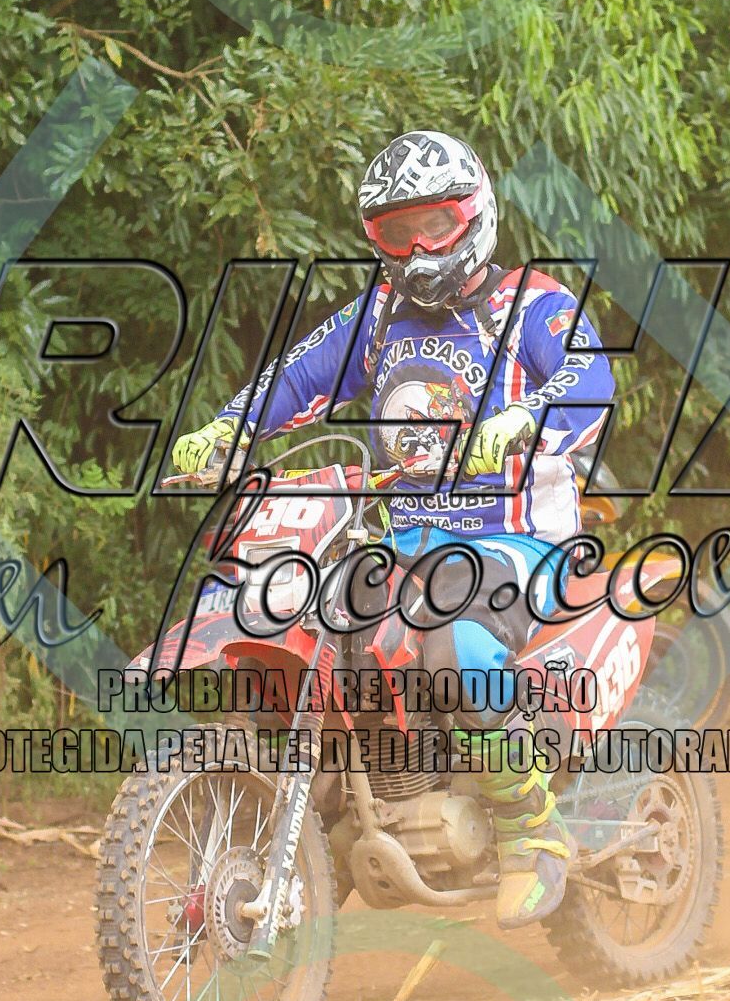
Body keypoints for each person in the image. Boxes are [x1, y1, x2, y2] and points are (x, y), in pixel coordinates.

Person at [172, 131, 614, 928]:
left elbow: (592, 377)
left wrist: (524, 418)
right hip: (405, 546)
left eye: (433, 226)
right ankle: (334, 814)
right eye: (395, 231)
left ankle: (532, 824)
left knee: (454, 641)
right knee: (305, 619)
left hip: (519, 543)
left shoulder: (534, 306)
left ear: (473, 216)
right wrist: (228, 426)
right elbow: (295, 377)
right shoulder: (379, 316)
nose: (416, 249)